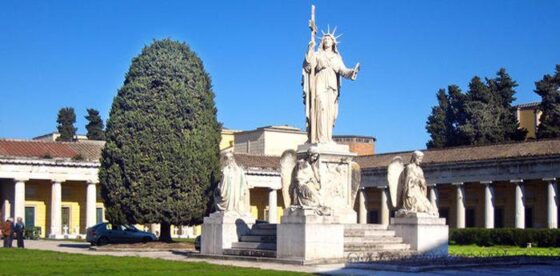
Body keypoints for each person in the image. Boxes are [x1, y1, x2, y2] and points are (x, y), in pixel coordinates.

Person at [303, 31, 359, 144]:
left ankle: (328, 138)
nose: (326, 40)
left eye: (329, 39)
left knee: (330, 112)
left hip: (332, 86)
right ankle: (319, 138)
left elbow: (343, 70)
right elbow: (308, 66)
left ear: (333, 42)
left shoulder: (337, 57)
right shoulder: (317, 54)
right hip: (319, 82)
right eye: (325, 39)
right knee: (320, 107)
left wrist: (352, 71)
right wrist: (310, 49)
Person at [401, 151, 438, 215]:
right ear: (415, 158)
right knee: (421, 208)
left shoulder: (420, 169)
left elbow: (423, 180)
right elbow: (408, 180)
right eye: (419, 159)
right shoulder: (409, 167)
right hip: (412, 193)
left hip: (419, 192)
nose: (420, 161)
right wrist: (418, 180)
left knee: (431, 208)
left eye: (421, 159)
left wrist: (423, 183)